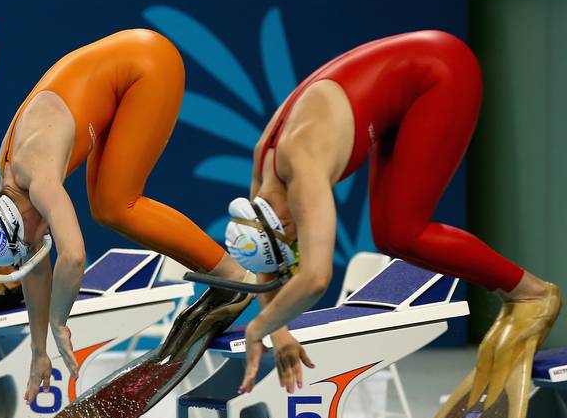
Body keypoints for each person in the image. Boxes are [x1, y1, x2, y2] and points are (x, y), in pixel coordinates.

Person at [228, 30, 560, 394]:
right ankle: (522, 291)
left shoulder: (301, 168)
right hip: (403, 88)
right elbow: (271, 267)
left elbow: (315, 279)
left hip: (440, 70)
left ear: (284, 223)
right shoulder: (263, 180)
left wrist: (259, 327)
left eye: (291, 242)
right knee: (391, 236)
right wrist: (281, 331)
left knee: (407, 232)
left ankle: (531, 292)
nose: (295, 244)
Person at [0, 29, 253, 403]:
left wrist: (59, 322)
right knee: (106, 209)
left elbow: (73, 256)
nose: (36, 246)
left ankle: (233, 274)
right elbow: (36, 265)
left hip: (148, 65)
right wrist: (39, 351)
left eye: (27, 244)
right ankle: (224, 274)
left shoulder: (37, 176)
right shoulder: (14, 188)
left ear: (17, 221)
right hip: (121, 75)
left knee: (119, 206)